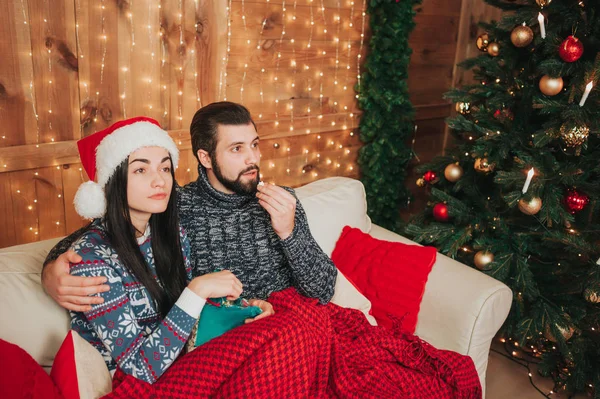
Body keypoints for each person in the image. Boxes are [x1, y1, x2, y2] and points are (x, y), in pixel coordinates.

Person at [42, 102, 337, 314]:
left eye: (254, 145)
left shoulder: (282, 201)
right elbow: (98, 236)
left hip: (289, 322)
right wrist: (50, 274)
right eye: (237, 149)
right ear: (206, 158)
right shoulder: (172, 204)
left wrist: (290, 233)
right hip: (225, 333)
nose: (252, 158)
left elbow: (323, 290)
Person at [63, 116, 273, 384]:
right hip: (138, 384)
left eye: (165, 169)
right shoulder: (91, 261)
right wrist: (196, 290)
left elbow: (183, 320)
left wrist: (244, 309)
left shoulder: (171, 234)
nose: (159, 181)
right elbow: (139, 370)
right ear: (112, 180)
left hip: (188, 362)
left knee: (284, 333)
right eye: (141, 170)